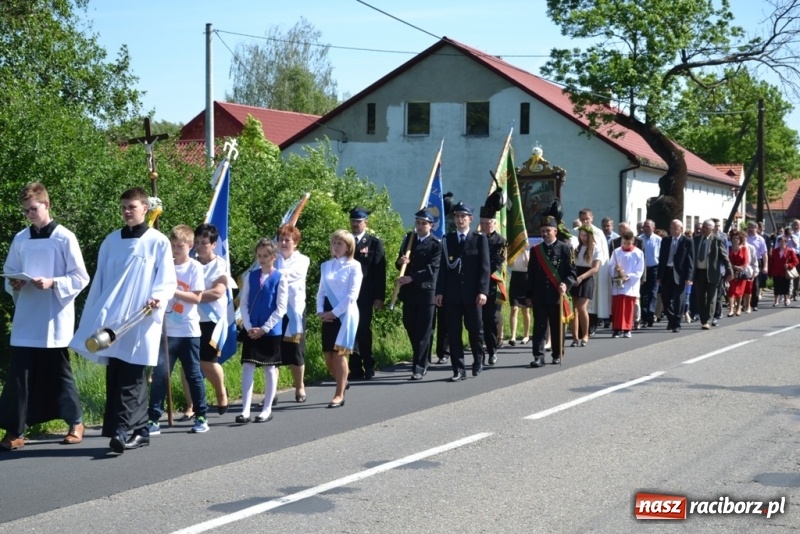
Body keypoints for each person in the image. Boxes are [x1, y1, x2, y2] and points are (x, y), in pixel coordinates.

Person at [70, 187, 177, 453]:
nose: (127, 211)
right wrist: (96, 314)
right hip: (114, 321)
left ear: (145, 208)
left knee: (134, 374)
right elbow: (102, 282)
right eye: (124, 207)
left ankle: (120, 430)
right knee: (117, 374)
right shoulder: (111, 241)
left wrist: (157, 297)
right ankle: (140, 430)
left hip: (142, 318)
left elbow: (167, 279)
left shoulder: (157, 241)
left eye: (132, 206)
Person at [0, 182, 90, 451]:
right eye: (26, 210)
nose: (30, 214)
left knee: (59, 373)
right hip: (27, 317)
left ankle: (76, 422)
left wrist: (54, 283)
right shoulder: (21, 239)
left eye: (34, 209)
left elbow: (80, 277)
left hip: (54, 317)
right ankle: (15, 431)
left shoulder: (65, 237)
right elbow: (10, 271)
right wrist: (14, 283)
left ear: (47, 205)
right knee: (20, 376)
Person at [147, 225, 209, 435]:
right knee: (160, 375)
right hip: (166, 331)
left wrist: (172, 290)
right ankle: (154, 418)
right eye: (172, 245)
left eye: (179, 246)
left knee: (193, 375)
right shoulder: (165, 267)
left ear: (190, 246)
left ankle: (201, 415)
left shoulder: (194, 267)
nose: (175, 249)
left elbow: (197, 297)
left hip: (188, 331)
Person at [435, 201, 490, 381]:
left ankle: (478, 359)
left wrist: (483, 291)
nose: (460, 220)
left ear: (470, 219)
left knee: (475, 330)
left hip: (473, 294)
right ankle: (458, 370)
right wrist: (439, 292)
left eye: (463, 217)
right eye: (457, 216)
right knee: (453, 332)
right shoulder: (447, 240)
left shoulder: (479, 239)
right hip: (452, 294)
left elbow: (484, 268)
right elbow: (443, 268)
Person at [236, 239, 288, 424]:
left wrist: (264, 328)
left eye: (266, 256)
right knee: (248, 366)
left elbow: (281, 308)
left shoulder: (280, 277)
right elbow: (244, 303)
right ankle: (245, 410)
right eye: (259, 256)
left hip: (270, 331)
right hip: (252, 329)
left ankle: (267, 409)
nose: (262, 259)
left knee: (269, 367)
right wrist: (249, 327)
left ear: (274, 257)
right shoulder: (251, 276)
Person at [181, 223, 230, 419]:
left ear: (214, 244)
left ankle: (221, 393)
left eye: (204, 243)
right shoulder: (188, 263)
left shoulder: (220, 265)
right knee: (188, 365)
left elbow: (218, 292)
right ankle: (191, 404)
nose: (200, 247)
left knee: (207, 362)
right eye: (197, 243)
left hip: (212, 320)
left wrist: (193, 295)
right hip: (189, 319)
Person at [317, 230, 363, 407]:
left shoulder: (354, 266)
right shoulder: (326, 265)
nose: (335, 247)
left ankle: (339, 394)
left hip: (346, 314)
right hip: (328, 313)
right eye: (334, 243)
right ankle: (342, 381)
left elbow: (352, 295)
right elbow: (321, 291)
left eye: (340, 244)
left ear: (348, 247)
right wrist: (321, 310)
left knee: (339, 355)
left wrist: (335, 312)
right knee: (328, 356)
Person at [395, 210, 441, 380]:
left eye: (424, 223)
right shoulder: (409, 239)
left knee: (423, 330)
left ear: (431, 225)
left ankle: (419, 367)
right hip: (409, 292)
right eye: (418, 222)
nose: (420, 226)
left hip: (426, 292)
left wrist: (411, 278)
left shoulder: (436, 244)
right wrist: (400, 262)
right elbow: (400, 263)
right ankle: (424, 355)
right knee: (409, 325)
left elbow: (432, 269)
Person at [526, 216, 575, 366]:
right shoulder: (536, 250)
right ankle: (538, 356)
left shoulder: (565, 248)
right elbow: (531, 274)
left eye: (548, 230)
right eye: (542, 231)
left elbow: (572, 273)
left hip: (556, 295)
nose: (545, 233)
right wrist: (529, 295)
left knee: (557, 326)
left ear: (555, 231)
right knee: (539, 326)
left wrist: (566, 284)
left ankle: (557, 354)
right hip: (539, 295)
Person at [274, 224, 311, 403]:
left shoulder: (303, 260)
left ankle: (299, 387)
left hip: (294, 312)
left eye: (287, 240)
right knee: (274, 353)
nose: (283, 242)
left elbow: (289, 275)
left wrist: (270, 271)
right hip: (275, 312)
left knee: (296, 352)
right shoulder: (273, 259)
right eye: (281, 239)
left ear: (295, 243)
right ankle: (271, 393)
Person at [348, 207, 386, 381]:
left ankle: (368, 364)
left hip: (365, 294)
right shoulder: (345, 241)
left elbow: (379, 272)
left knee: (363, 330)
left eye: (359, 221)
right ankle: (354, 368)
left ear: (365, 223)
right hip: (347, 295)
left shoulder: (374, 243)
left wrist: (379, 297)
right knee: (350, 331)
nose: (355, 224)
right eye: (353, 221)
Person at [692, 219, 733, 330]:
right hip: (699, 273)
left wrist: (729, 271)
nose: (703, 229)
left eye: (706, 227)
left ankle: (708, 320)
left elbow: (725, 257)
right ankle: (703, 319)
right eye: (703, 227)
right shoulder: (695, 240)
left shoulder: (717, 240)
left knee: (711, 297)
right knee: (700, 297)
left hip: (712, 273)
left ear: (711, 229)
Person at [479, 205, 506, 365]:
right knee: (477, 321)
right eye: (482, 223)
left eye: (487, 223)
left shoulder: (500, 241)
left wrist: (480, 268)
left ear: (494, 224)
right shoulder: (475, 238)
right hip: (476, 286)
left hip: (492, 285)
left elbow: (496, 262)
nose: (484, 226)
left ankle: (492, 349)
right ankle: (480, 352)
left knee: (491, 319)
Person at [657, 220, 694, 333]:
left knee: (679, 300)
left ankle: (676, 323)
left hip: (680, 274)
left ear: (681, 229)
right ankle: (672, 319)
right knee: (666, 299)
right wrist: (659, 276)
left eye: (675, 227)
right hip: (667, 272)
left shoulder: (687, 241)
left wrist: (689, 277)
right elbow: (662, 259)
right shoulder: (665, 240)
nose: (672, 229)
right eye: (671, 227)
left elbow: (690, 260)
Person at [608, 230, 645, 338]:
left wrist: (628, 276)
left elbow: (639, 270)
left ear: (632, 241)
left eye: (628, 243)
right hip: (618, 283)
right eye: (624, 243)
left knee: (628, 308)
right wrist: (615, 269)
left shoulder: (638, 253)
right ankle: (616, 329)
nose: (626, 245)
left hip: (630, 285)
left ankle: (627, 329)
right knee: (617, 307)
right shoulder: (617, 251)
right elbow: (610, 266)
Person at [570, 225, 601, 346]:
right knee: (574, 310)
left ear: (590, 236)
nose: (583, 238)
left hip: (586, 278)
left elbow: (595, 268)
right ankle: (574, 337)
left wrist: (582, 277)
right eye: (581, 235)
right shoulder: (577, 248)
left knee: (582, 308)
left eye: (585, 235)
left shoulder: (595, 248)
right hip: (575, 276)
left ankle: (585, 335)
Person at [507, 242, 532, 347]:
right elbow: (510, 264)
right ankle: (513, 336)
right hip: (515, 278)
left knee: (525, 310)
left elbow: (528, 264)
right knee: (514, 308)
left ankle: (526, 335)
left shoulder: (528, 251)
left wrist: (525, 251)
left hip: (526, 278)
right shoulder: (513, 252)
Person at [638, 219, 661, 328]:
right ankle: (644, 315)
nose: (646, 228)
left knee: (653, 292)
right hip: (643, 269)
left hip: (654, 269)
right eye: (645, 226)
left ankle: (651, 314)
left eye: (648, 226)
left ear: (653, 228)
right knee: (643, 293)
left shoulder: (658, 240)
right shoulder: (639, 239)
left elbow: (661, 256)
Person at [726, 230, 751, 316]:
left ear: (740, 239)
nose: (735, 240)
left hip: (741, 273)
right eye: (733, 238)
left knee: (739, 292)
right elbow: (727, 260)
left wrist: (740, 268)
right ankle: (731, 309)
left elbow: (746, 261)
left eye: (737, 238)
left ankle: (738, 308)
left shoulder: (744, 249)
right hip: (731, 271)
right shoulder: (728, 248)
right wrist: (734, 267)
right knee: (731, 291)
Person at [769, 236, 799, 306]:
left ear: (786, 242)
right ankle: (776, 301)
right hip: (776, 271)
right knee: (776, 286)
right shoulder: (775, 251)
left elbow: (796, 261)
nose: (781, 243)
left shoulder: (790, 251)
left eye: (783, 242)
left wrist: (789, 265)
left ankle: (786, 299)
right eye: (780, 242)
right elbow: (772, 262)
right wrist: (770, 272)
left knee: (786, 286)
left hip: (785, 272)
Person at [746, 221, 769, 312]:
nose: (750, 229)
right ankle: (745, 303)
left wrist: (765, 266)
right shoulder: (745, 237)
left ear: (756, 229)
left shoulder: (760, 239)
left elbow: (764, 254)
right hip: (746, 261)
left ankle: (754, 304)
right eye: (749, 227)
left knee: (755, 284)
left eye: (752, 227)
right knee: (745, 283)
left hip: (757, 262)